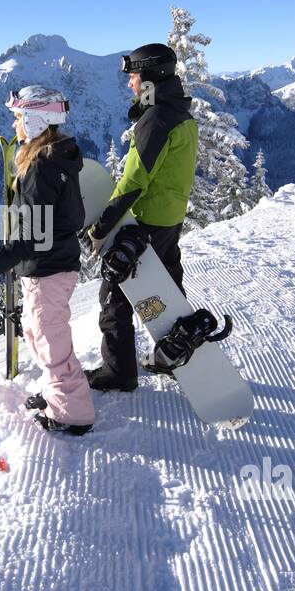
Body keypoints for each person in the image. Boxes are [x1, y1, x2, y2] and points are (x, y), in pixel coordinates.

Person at [0, 86, 95, 436]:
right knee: (39, 336)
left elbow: (33, 236)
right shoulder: (57, 159)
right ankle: (57, 395)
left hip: (47, 270)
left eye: (19, 117)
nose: (15, 123)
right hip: (53, 266)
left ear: (37, 121)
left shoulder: (41, 168)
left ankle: (73, 414)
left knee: (52, 344)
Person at [86, 43, 198, 392]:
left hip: (147, 220)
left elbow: (134, 180)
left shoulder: (157, 119)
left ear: (149, 78)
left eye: (133, 76)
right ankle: (174, 353)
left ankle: (118, 371)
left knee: (115, 295)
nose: (129, 84)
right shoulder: (178, 112)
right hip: (171, 217)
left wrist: (102, 226)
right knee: (168, 290)